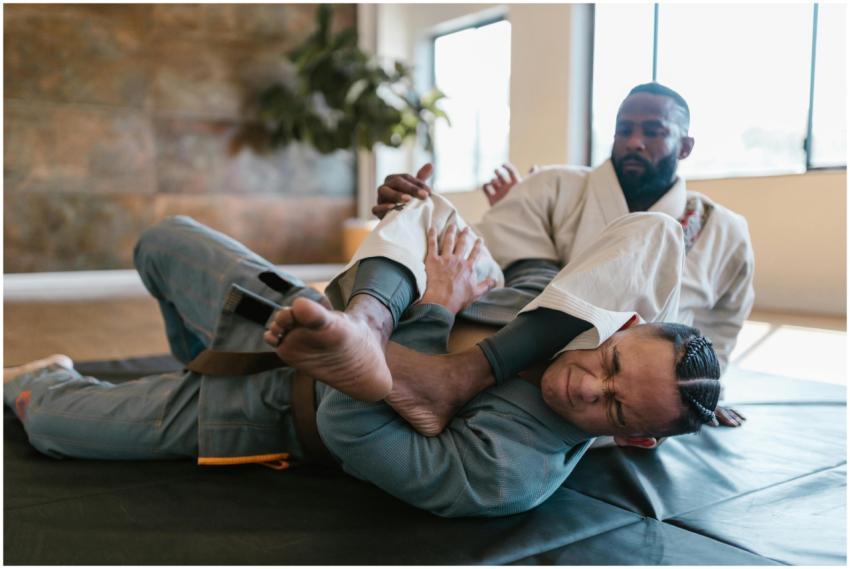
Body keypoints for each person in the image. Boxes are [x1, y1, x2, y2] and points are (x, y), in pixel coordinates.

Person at [5, 197, 720, 517]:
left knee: (49, 417)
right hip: (307, 311)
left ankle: (360, 339)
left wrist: (435, 309)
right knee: (162, 239)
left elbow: (349, 425)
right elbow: (457, 242)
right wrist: (412, 217)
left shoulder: (511, 471)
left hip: (277, 410)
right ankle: (362, 323)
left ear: (633, 438)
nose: (589, 386)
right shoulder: (563, 307)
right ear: (621, 323)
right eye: (612, 363)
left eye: (614, 408)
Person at [373, 82, 754, 429]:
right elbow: (481, 253)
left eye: (653, 132)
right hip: (518, 342)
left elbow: (724, 322)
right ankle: (367, 325)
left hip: (614, 402)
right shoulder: (553, 185)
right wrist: (417, 212)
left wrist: (701, 390)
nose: (634, 142)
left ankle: (463, 372)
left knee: (657, 231)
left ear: (685, 146)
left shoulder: (724, 230)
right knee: (426, 214)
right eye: (624, 130)